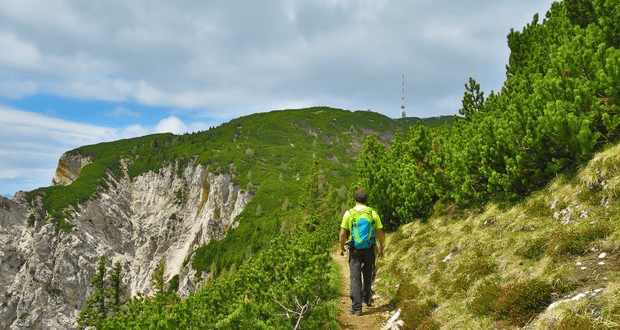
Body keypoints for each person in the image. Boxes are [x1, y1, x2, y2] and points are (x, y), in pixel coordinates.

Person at [339, 188, 385, 316]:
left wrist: (342, 247)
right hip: (370, 248)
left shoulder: (349, 213)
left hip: (355, 249)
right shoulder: (373, 213)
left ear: (355, 200)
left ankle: (356, 308)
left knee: (355, 277)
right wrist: (381, 248)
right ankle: (366, 298)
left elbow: (343, 233)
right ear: (366, 200)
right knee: (368, 273)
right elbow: (380, 233)